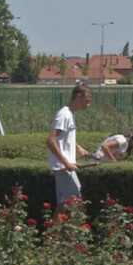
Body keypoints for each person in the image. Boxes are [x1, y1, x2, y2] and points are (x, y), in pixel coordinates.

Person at [46, 84, 93, 215]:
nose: (88, 105)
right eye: (87, 101)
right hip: (63, 167)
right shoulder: (64, 115)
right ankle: (79, 232)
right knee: (76, 201)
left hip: (65, 166)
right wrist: (66, 163)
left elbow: (65, 137)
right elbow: (50, 141)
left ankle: (52, 235)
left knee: (63, 205)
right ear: (78, 96)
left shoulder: (71, 114)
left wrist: (78, 148)